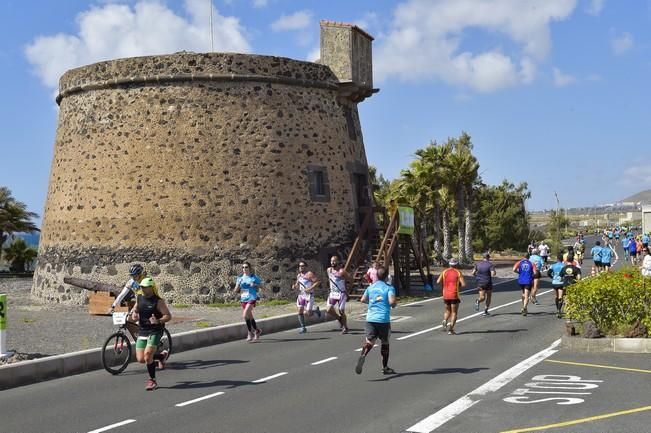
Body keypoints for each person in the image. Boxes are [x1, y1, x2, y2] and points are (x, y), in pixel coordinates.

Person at [129, 277, 171, 391]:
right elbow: (135, 310)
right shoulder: (139, 298)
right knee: (141, 359)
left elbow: (168, 316)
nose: (143, 289)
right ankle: (161, 356)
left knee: (147, 355)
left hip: (155, 330)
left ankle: (152, 380)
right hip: (143, 330)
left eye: (145, 287)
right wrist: (134, 315)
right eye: (142, 287)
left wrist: (158, 321)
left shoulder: (158, 301)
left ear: (151, 288)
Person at [355, 265, 397, 375]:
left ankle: (363, 354)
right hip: (383, 319)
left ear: (376, 276)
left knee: (370, 341)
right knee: (385, 341)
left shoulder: (371, 287)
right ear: (387, 276)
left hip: (370, 318)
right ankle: (385, 367)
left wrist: (373, 303)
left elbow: (363, 299)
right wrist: (392, 304)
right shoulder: (389, 287)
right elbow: (392, 302)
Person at [235, 262, 263, 342]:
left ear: (249, 268)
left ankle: (249, 333)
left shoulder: (253, 277)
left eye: (246, 267)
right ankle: (257, 330)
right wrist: (238, 285)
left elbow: (261, 286)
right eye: (243, 267)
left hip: (252, 297)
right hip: (243, 299)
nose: (244, 269)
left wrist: (254, 284)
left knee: (245, 315)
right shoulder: (239, 278)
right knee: (250, 317)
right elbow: (236, 290)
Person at [437, 258, 466, 334]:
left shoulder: (444, 271)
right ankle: (451, 330)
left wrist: (444, 284)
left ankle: (445, 320)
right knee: (454, 313)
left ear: (449, 264)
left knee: (447, 311)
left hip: (445, 294)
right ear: (456, 264)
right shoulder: (458, 272)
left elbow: (438, 281)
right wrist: (458, 284)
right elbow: (463, 284)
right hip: (454, 294)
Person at [326, 256, 352, 334]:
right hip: (333, 293)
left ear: (338, 262)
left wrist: (348, 289)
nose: (332, 263)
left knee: (341, 310)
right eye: (331, 261)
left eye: (334, 261)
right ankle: (339, 319)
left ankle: (345, 327)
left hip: (341, 293)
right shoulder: (328, 270)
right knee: (328, 310)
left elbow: (350, 279)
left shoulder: (342, 271)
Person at [293, 261, 321, 334]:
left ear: (305, 266)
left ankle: (316, 311)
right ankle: (303, 328)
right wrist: (294, 286)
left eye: (302, 266)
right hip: (301, 295)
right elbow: (297, 284)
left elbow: (317, 282)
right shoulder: (299, 276)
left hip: (309, 295)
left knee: (308, 313)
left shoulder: (309, 274)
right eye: (299, 266)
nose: (301, 267)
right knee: (300, 311)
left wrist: (310, 288)